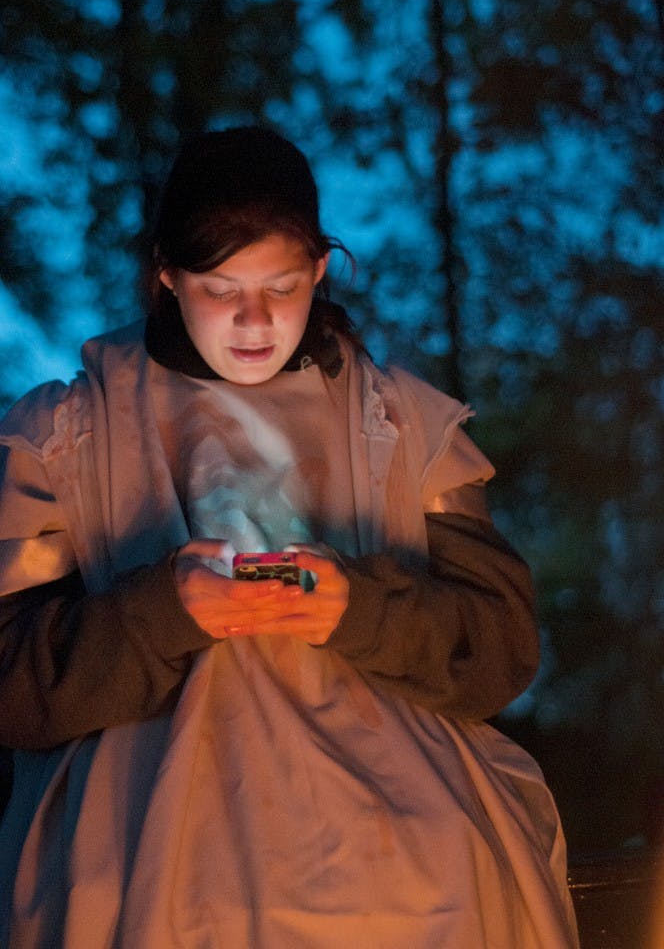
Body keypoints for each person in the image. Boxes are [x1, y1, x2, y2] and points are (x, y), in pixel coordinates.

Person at [0, 126, 578, 947]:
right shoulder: (66, 436)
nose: (253, 320)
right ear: (166, 276)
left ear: (319, 270)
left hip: (406, 856)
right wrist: (160, 612)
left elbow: (499, 644)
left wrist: (361, 609)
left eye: (281, 286)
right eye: (219, 287)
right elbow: (10, 679)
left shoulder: (401, 426)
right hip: (154, 849)